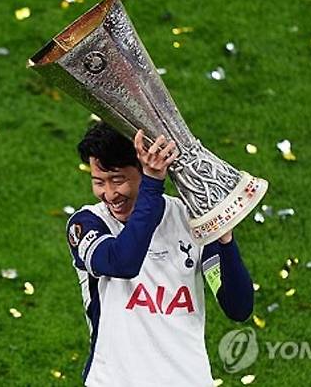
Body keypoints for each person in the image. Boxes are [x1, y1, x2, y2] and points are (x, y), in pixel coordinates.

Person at [66, 122, 254, 387]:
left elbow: (238, 307)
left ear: (141, 170)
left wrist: (225, 240)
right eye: (98, 182)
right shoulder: (87, 224)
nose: (108, 194)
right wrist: (152, 185)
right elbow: (123, 262)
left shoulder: (189, 220)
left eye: (118, 180)